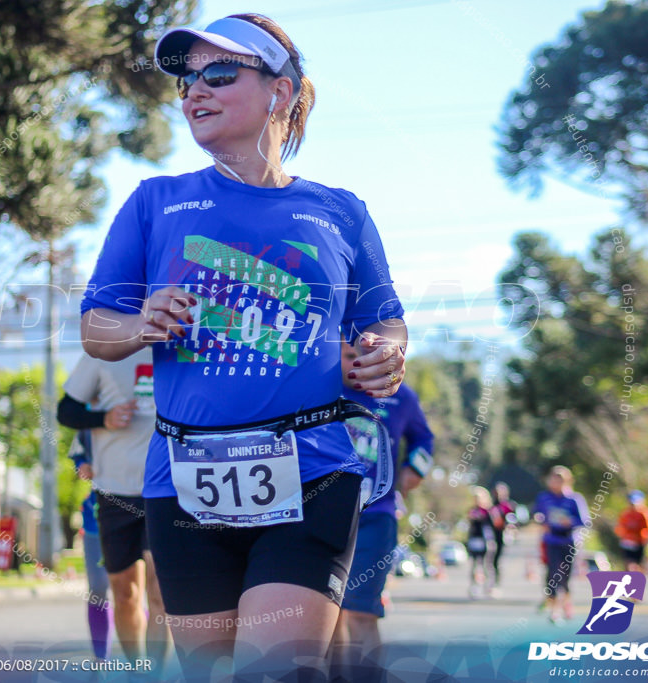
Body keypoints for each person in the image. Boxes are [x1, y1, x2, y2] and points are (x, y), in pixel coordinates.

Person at [79, 13, 407, 680]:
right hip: (184, 482)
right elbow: (96, 328)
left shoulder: (341, 211)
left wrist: (384, 349)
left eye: (218, 74)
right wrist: (141, 321)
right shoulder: (155, 202)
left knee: (279, 670)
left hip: (312, 469)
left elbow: (387, 321)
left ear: (280, 92)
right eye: (185, 80)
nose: (194, 91)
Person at [56, 351, 171, 673]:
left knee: (160, 592)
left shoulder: (175, 348)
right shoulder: (102, 355)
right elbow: (66, 411)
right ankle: (138, 670)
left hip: (165, 489)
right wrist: (103, 418)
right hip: (113, 493)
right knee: (125, 592)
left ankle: (157, 676)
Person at [332, 344, 433, 672]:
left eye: (365, 360)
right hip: (320, 515)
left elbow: (424, 439)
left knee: (361, 611)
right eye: (348, 358)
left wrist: (414, 469)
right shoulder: (317, 386)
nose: (357, 367)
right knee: (325, 614)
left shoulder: (401, 397)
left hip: (376, 516)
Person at [68, 430, 112, 660]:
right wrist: (83, 466)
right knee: (98, 589)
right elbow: (78, 456)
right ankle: (100, 657)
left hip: (142, 512)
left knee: (135, 590)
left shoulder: (146, 404)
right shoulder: (88, 418)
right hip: (96, 518)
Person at [533, 466, 589, 625]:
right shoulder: (543, 497)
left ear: (567, 481)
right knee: (552, 575)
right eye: (553, 479)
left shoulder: (574, 499)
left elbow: (585, 521)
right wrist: (540, 519)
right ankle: (554, 611)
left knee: (564, 578)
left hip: (569, 541)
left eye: (560, 480)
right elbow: (537, 514)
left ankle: (566, 603)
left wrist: (570, 522)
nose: (556, 483)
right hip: (551, 540)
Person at [464, 486, 499, 599]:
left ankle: (490, 587)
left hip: (487, 541)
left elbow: (495, 524)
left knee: (487, 565)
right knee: (474, 565)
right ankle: (474, 587)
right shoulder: (472, 510)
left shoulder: (490, 511)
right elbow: (469, 525)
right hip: (475, 540)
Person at [615, 490, 648, 573]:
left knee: (639, 564)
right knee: (629, 563)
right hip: (628, 542)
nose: (633, 505)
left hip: (640, 542)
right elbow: (620, 528)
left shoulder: (644, 513)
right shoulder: (626, 514)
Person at [490, 481, 517, 588]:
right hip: (491, 536)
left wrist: (509, 526)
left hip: (503, 536)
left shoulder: (508, 506)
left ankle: (497, 579)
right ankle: (491, 579)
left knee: (498, 559)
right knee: (491, 558)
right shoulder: (491, 506)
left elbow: (514, 521)